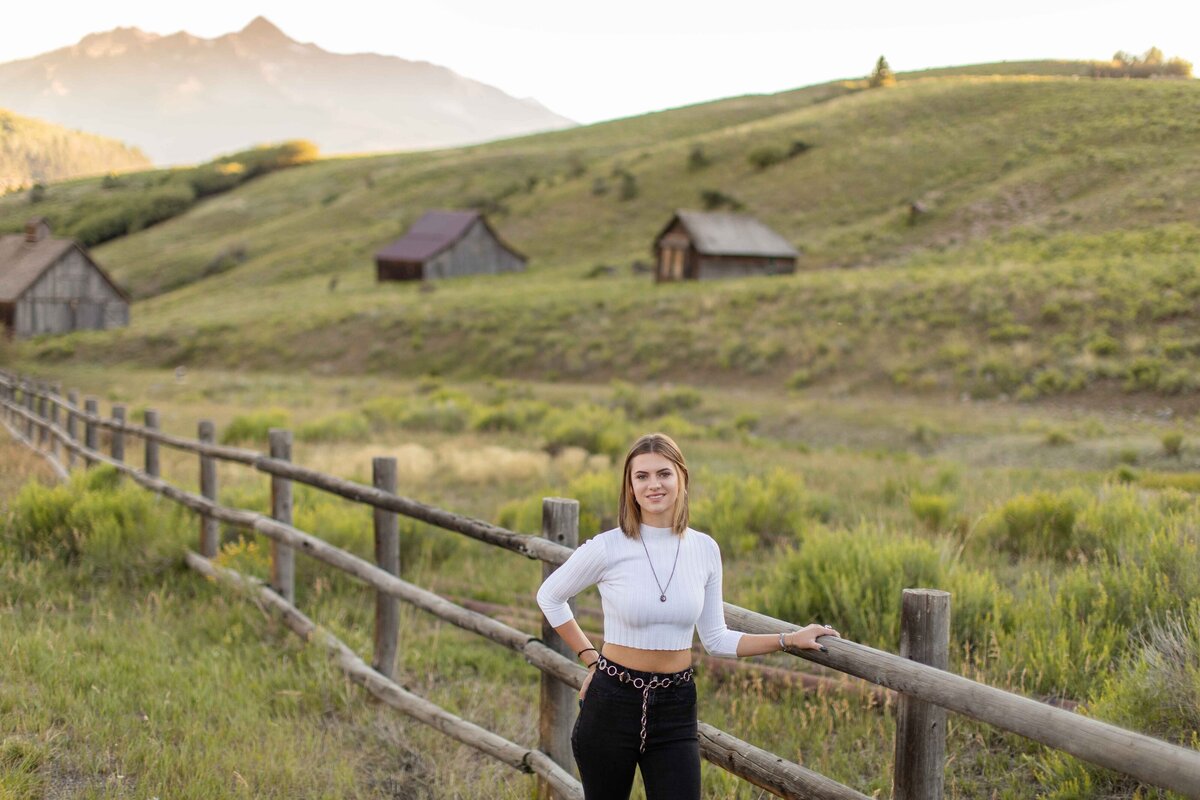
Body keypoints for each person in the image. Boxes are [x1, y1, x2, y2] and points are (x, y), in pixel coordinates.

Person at [536, 432, 841, 800]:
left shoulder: (705, 549)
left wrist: (788, 639)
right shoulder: (608, 547)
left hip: (676, 704)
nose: (654, 485)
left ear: (681, 478)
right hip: (611, 701)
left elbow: (716, 638)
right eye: (642, 476)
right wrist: (590, 660)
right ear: (630, 487)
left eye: (664, 474)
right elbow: (550, 596)